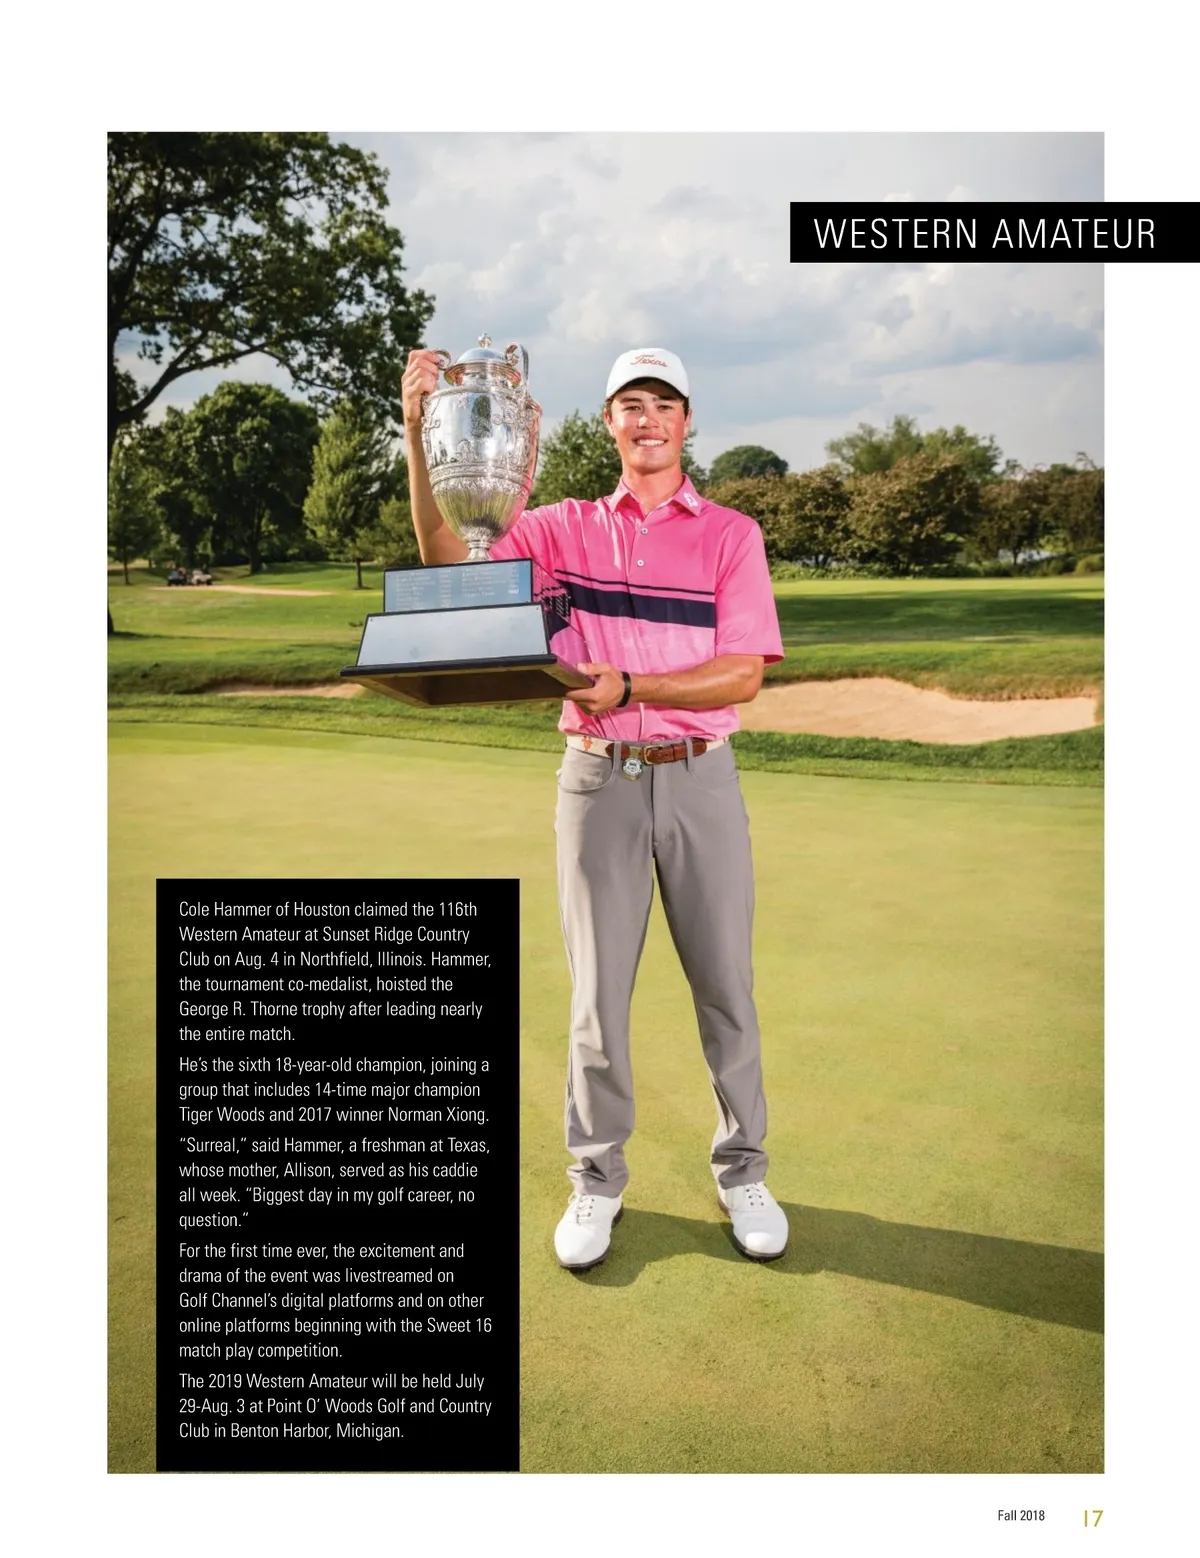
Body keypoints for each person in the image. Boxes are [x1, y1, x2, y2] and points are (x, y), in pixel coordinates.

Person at [401, 344, 788, 1269]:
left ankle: (743, 1171)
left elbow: (743, 672)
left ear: (685, 421)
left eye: (664, 404)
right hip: (595, 777)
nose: (648, 419)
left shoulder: (731, 534)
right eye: (631, 404)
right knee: (597, 999)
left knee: (726, 988)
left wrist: (634, 685)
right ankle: (597, 1178)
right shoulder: (558, 528)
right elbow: (451, 558)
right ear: (609, 422)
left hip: (700, 775)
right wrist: (420, 437)